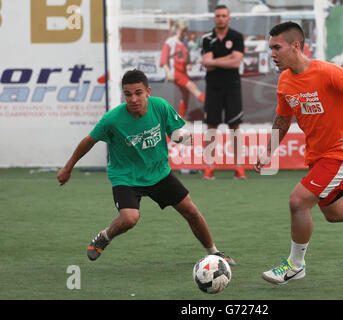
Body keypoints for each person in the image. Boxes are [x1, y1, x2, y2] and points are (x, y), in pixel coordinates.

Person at [255, 22, 343, 285]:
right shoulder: (285, 81)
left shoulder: (329, 72)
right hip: (318, 158)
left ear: (296, 46)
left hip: (342, 153)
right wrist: (269, 150)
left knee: (298, 201)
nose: (272, 53)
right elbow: (283, 119)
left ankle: (295, 266)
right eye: (270, 48)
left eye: (277, 47)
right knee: (336, 212)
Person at [57, 69, 235, 266]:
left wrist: (182, 137)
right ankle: (105, 236)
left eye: (138, 93)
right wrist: (68, 168)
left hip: (159, 173)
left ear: (148, 92)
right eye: (128, 94)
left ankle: (214, 253)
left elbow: (174, 130)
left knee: (191, 212)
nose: (133, 99)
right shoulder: (112, 119)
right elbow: (89, 141)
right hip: (126, 176)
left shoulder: (160, 106)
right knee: (129, 219)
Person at [201, 5, 246, 180]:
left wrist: (215, 61)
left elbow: (236, 63)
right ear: (214, 18)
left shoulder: (236, 37)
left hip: (232, 86)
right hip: (212, 87)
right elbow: (206, 62)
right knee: (211, 127)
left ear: (229, 18)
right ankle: (209, 167)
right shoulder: (207, 38)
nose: (221, 18)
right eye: (218, 15)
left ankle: (239, 168)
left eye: (224, 15)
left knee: (234, 127)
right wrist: (228, 58)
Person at [160, 21, 206, 119]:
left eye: (186, 31)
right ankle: (211, 105)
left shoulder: (185, 42)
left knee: (186, 94)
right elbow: (164, 58)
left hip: (183, 72)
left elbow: (186, 58)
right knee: (193, 87)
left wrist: (188, 64)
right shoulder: (170, 42)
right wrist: (168, 72)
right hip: (175, 72)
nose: (185, 33)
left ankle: (181, 118)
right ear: (176, 30)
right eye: (183, 30)